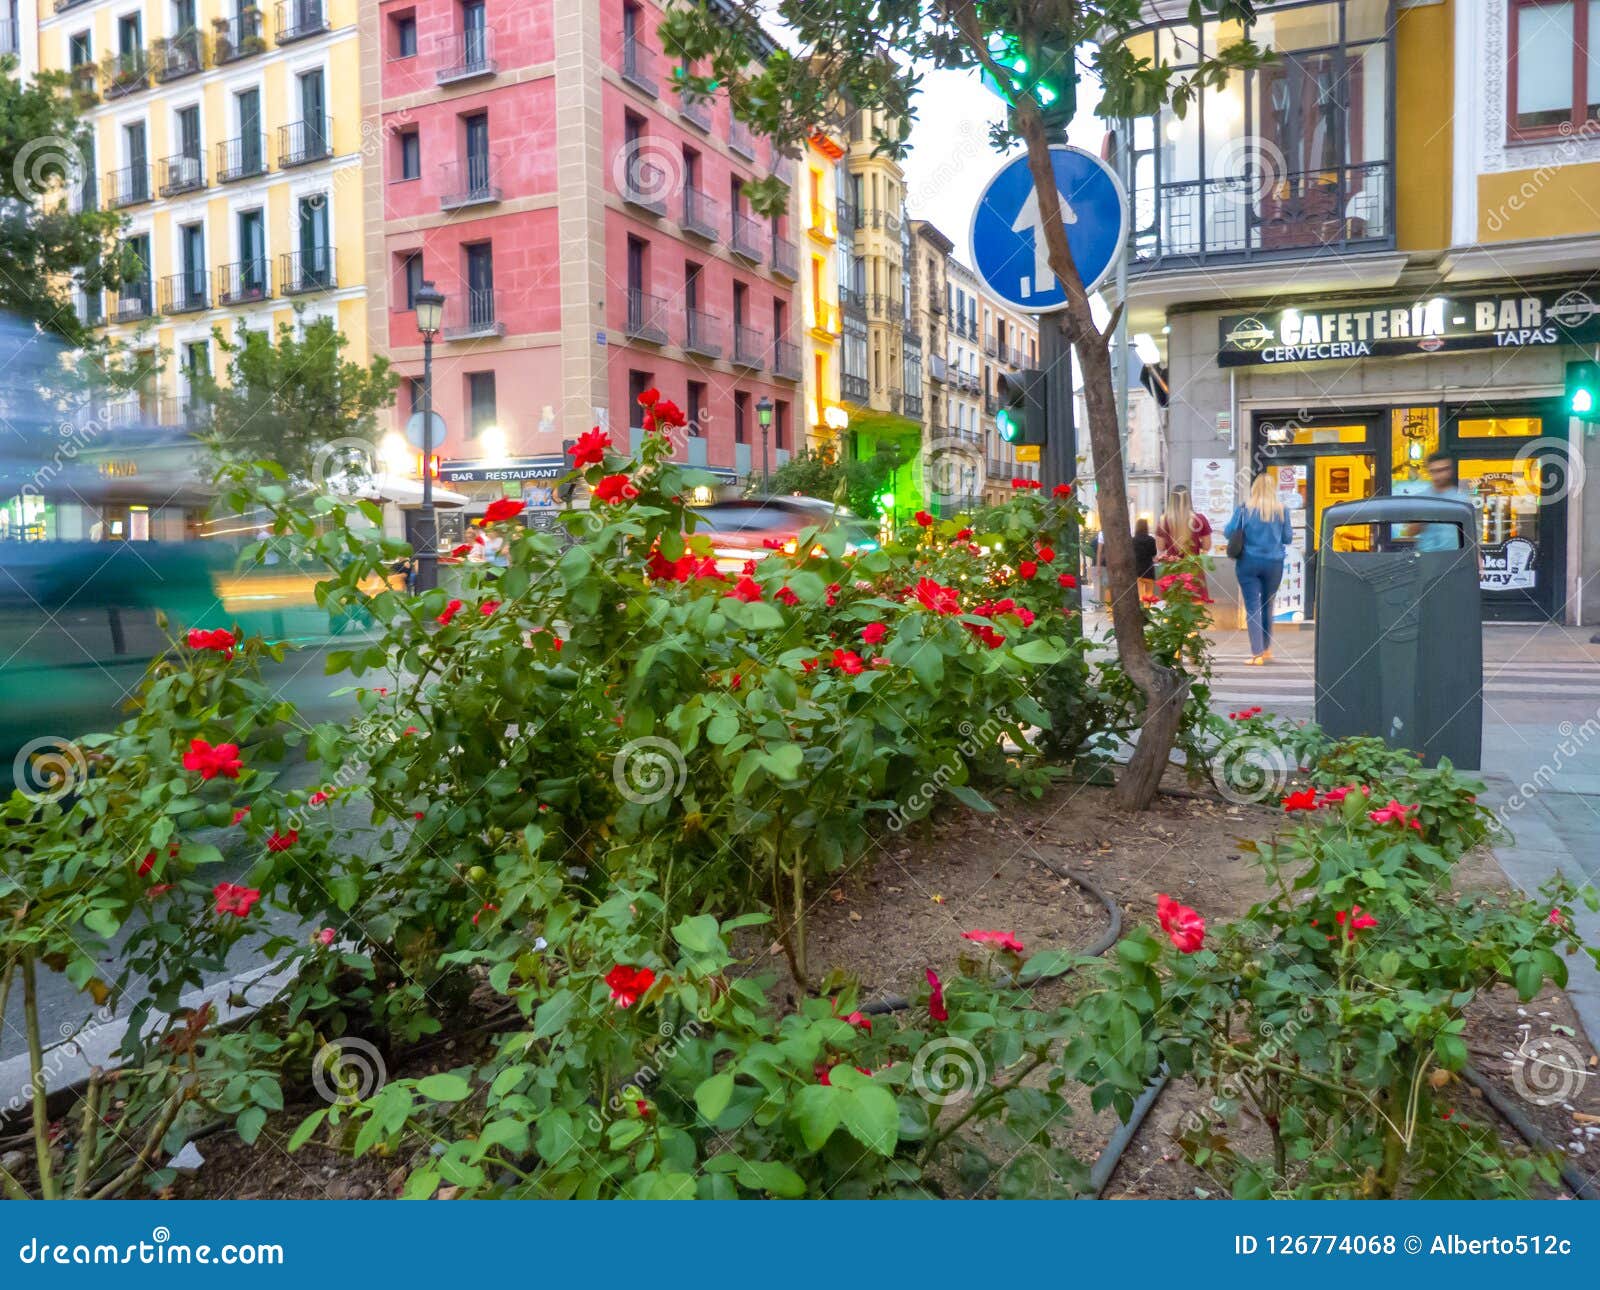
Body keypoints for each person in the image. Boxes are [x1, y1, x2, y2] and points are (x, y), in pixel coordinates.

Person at [1224, 473, 1295, 665]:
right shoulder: (1282, 510)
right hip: (1274, 563)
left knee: (1253, 607)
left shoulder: (1244, 509)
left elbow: (1228, 532)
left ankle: (1256, 653)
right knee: (1268, 605)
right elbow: (1288, 538)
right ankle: (1266, 649)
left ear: (1254, 488)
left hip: (1248, 562)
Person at [1156, 486, 1213, 602]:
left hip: (1171, 568)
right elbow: (1207, 546)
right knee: (1193, 607)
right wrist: (1197, 543)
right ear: (1189, 499)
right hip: (1192, 568)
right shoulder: (1199, 519)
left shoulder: (1163, 520)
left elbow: (1160, 547)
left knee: (1172, 606)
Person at [1413, 450, 1472, 552]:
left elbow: (1470, 534)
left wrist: (1478, 559)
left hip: (1454, 556)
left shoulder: (1462, 500)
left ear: (1450, 471)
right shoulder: (1421, 499)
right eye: (1434, 471)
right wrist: (1423, 517)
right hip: (1428, 556)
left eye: (1443, 470)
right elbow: (1409, 532)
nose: (1439, 475)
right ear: (1429, 472)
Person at [1132, 517, 1158, 601]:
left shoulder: (1133, 540)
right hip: (1148, 569)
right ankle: (1147, 609)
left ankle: (1141, 610)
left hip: (1137, 569)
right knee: (1149, 595)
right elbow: (1154, 553)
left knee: (1140, 596)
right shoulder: (1151, 540)